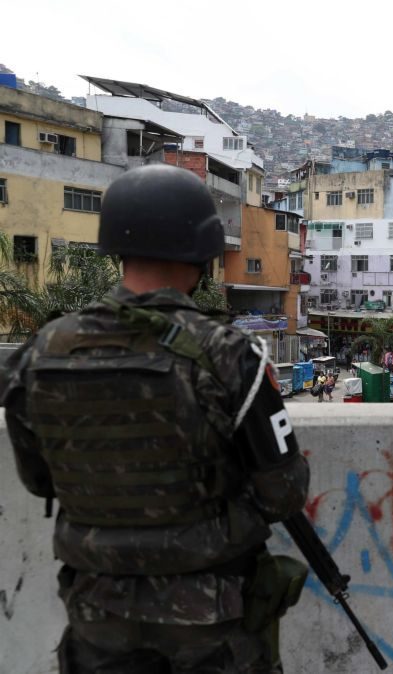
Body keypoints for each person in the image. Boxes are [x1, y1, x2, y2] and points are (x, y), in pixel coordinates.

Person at [1, 164, 311, 673]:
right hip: (209, 620)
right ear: (202, 250)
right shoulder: (228, 354)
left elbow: (38, 480)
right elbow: (284, 493)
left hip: (96, 612)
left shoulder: (44, 351)